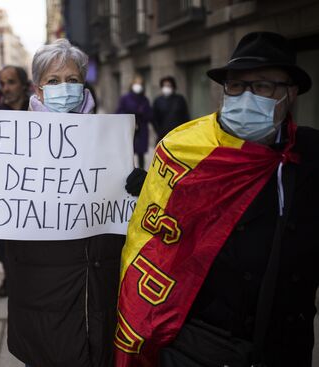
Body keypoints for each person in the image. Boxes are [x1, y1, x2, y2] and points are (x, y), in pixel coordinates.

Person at [115, 32, 319, 367]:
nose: (246, 96)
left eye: (263, 86)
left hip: (285, 341)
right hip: (207, 342)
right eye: (236, 86)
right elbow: (159, 236)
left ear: (290, 93)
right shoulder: (191, 150)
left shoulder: (311, 154)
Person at [4, 39, 128, 367]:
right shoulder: (13, 143)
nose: (65, 88)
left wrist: (139, 188)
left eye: (73, 80)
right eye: (54, 81)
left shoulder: (108, 136)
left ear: (84, 86)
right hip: (42, 288)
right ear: (38, 90)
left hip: (95, 284)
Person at [0, 65, 31, 298]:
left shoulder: (39, 112)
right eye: (2, 83)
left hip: (31, 190)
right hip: (2, 192)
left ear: (23, 84)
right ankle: (8, 276)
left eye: (11, 82)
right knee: (3, 243)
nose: (5, 88)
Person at [115, 74, 152, 168]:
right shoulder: (125, 98)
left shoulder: (145, 99)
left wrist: (142, 112)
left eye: (140, 84)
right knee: (128, 152)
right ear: (132, 85)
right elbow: (119, 111)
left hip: (141, 129)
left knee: (141, 154)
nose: (138, 86)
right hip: (129, 128)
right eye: (136, 83)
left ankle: (141, 172)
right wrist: (129, 116)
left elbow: (149, 115)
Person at [152, 76, 189, 142]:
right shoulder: (158, 101)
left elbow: (185, 116)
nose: (166, 87)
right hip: (163, 136)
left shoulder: (180, 99)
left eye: (168, 85)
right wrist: (159, 131)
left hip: (178, 134)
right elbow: (154, 119)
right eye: (164, 85)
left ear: (173, 87)